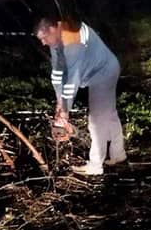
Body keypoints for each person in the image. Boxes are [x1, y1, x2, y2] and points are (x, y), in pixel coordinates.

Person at [34, 16, 126, 175]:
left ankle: (96, 166)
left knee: (96, 120)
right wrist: (59, 101)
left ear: (52, 29)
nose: (43, 43)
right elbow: (57, 74)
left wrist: (64, 111)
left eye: (43, 38)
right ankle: (119, 154)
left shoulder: (72, 39)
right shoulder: (55, 40)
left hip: (103, 72)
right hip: (96, 71)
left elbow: (72, 81)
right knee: (108, 115)